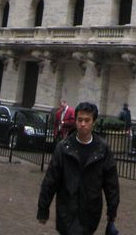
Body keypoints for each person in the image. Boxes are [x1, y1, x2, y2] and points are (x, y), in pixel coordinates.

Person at [38, 100, 120, 235]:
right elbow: (50, 180)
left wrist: (112, 211)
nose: (83, 124)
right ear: (75, 121)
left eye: (87, 120)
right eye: (80, 120)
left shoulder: (102, 149)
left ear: (94, 122)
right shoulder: (63, 147)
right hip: (66, 211)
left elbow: (111, 182)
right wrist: (43, 209)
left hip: (90, 212)